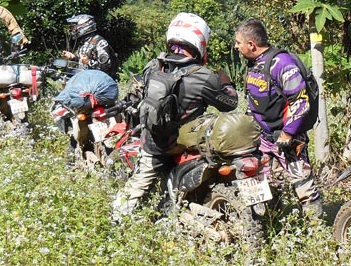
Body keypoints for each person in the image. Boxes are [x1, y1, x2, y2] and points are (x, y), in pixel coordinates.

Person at [112, 12, 238, 218]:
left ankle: (116, 220)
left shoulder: (153, 67)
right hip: (186, 144)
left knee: (135, 189)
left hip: (155, 144)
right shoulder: (204, 76)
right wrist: (225, 82)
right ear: (200, 41)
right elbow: (230, 104)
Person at [233, 18, 322, 218]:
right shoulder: (254, 65)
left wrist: (287, 134)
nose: (236, 46)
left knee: (303, 186)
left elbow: (300, 101)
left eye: (239, 42)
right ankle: (271, 224)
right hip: (262, 138)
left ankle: (317, 231)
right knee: (265, 184)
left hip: (286, 139)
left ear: (251, 44)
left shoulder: (282, 64)